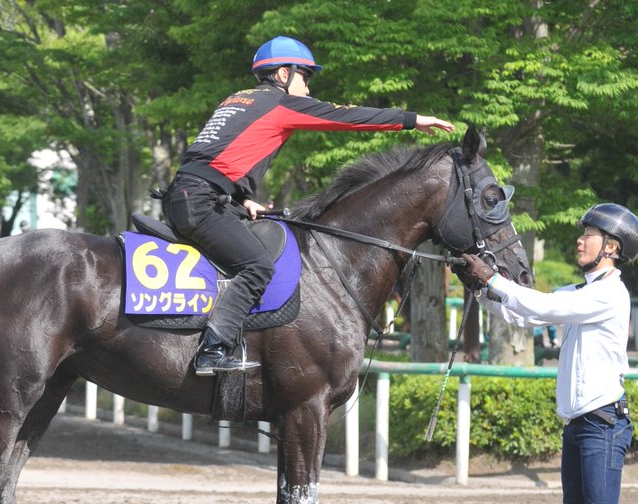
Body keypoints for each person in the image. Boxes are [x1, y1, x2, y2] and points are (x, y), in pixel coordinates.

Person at [165, 36, 455, 375]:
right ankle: (212, 349)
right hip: (200, 202)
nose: (308, 88)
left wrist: (242, 200)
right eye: (305, 77)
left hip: (187, 196)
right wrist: (410, 119)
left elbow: (209, 161)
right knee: (258, 266)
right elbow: (345, 117)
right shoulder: (280, 104)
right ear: (283, 74)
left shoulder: (236, 101)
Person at [454, 203, 638, 504]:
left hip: (603, 423)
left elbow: (543, 306)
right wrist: (480, 288)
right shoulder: (578, 293)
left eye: (590, 235)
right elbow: (525, 314)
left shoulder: (609, 293)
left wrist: (493, 278)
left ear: (612, 248)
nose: (579, 240)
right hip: (580, 425)